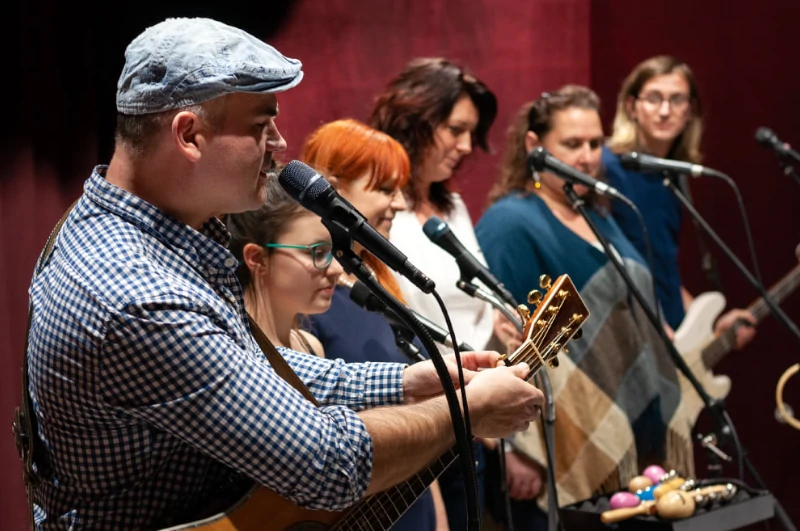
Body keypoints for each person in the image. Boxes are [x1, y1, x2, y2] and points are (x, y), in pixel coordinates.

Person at [20, 17, 544, 530]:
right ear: (189, 134)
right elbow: (326, 464)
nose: (280, 146)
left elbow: (252, 376)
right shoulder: (136, 295)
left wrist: (411, 381)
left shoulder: (143, 229)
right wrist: (465, 413)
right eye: (260, 126)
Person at [476, 86, 695, 526]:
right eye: (572, 144)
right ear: (535, 147)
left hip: (632, 435)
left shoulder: (598, 211)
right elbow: (501, 344)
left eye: (595, 143)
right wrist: (515, 452)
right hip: (563, 446)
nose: (588, 156)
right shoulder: (511, 223)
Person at [368, 57, 521, 530]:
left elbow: (468, 303)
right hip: (421, 411)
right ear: (415, 119)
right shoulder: (379, 209)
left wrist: (500, 326)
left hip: (475, 410)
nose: (466, 146)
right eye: (455, 129)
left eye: (471, 133)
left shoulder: (451, 204)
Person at [298, 118, 448, 531]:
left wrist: (438, 514)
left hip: (410, 504)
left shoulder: (377, 278)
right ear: (332, 191)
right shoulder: (306, 298)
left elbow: (414, 416)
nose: (399, 203)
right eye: (385, 189)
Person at [604, 55, 756, 344]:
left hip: (672, 337)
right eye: (653, 98)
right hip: (629, 336)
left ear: (690, 111)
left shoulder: (675, 176)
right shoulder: (607, 167)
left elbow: (664, 272)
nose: (664, 111)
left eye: (676, 100)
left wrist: (704, 325)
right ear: (631, 106)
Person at [225, 171, 343, 357]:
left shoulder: (310, 346)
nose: (337, 270)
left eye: (332, 252)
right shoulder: (230, 347)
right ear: (257, 258)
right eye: (317, 253)